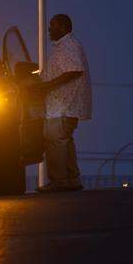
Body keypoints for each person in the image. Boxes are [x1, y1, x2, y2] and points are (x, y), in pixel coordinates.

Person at [36, 14, 92, 193]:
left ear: (63, 27)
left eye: (52, 25)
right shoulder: (65, 46)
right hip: (61, 106)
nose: (49, 29)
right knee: (64, 141)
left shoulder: (69, 45)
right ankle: (72, 179)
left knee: (56, 141)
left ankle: (59, 181)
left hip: (63, 105)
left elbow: (74, 70)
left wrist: (48, 85)